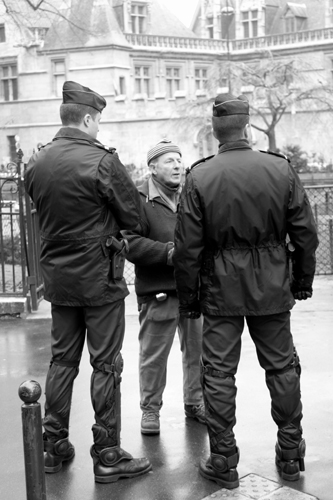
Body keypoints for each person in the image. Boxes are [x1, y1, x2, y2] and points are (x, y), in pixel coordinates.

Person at [173, 94, 319, 489]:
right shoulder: (279, 169)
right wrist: (301, 280)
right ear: (248, 127)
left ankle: (223, 458)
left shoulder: (200, 176)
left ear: (216, 132)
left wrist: (189, 300)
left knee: (218, 373)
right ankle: (290, 454)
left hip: (220, 289)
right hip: (271, 285)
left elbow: (187, 247)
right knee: (282, 367)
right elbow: (306, 233)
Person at [24, 81, 152, 483]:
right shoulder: (101, 160)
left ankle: (52, 445)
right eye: (97, 122)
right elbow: (137, 219)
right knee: (106, 365)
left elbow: (40, 207)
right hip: (100, 279)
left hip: (59, 281)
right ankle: (108, 453)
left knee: (62, 360)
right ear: (87, 119)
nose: (99, 130)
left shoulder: (37, 162)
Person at [123, 140, 205, 435]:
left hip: (193, 290)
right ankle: (150, 410)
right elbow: (129, 242)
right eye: (169, 161)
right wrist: (169, 253)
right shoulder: (138, 199)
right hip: (158, 291)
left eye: (179, 160)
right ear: (153, 167)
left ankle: (195, 403)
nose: (178, 166)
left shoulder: (192, 195)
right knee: (153, 356)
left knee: (197, 352)